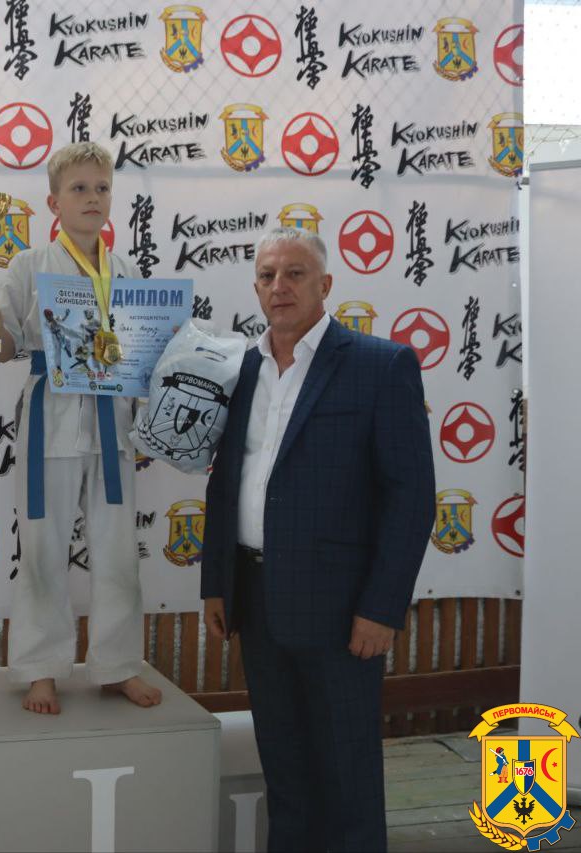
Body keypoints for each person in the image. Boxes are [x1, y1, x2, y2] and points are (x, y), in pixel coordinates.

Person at [201, 227, 435, 851]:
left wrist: (382, 608)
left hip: (342, 609)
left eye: (295, 273)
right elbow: (226, 483)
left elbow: (411, 498)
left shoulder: (380, 365)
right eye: (267, 275)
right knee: (284, 766)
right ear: (256, 287)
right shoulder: (240, 368)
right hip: (255, 596)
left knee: (346, 769)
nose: (279, 286)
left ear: (325, 284)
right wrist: (217, 583)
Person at [0, 141, 161, 714]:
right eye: (79, 189)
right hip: (49, 420)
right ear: (54, 203)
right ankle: (41, 669)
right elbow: (0, 349)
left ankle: (118, 665)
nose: (92, 198)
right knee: (42, 551)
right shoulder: (28, 266)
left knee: (118, 552)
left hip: (113, 424)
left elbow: (141, 350)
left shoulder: (127, 272)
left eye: (102, 188)